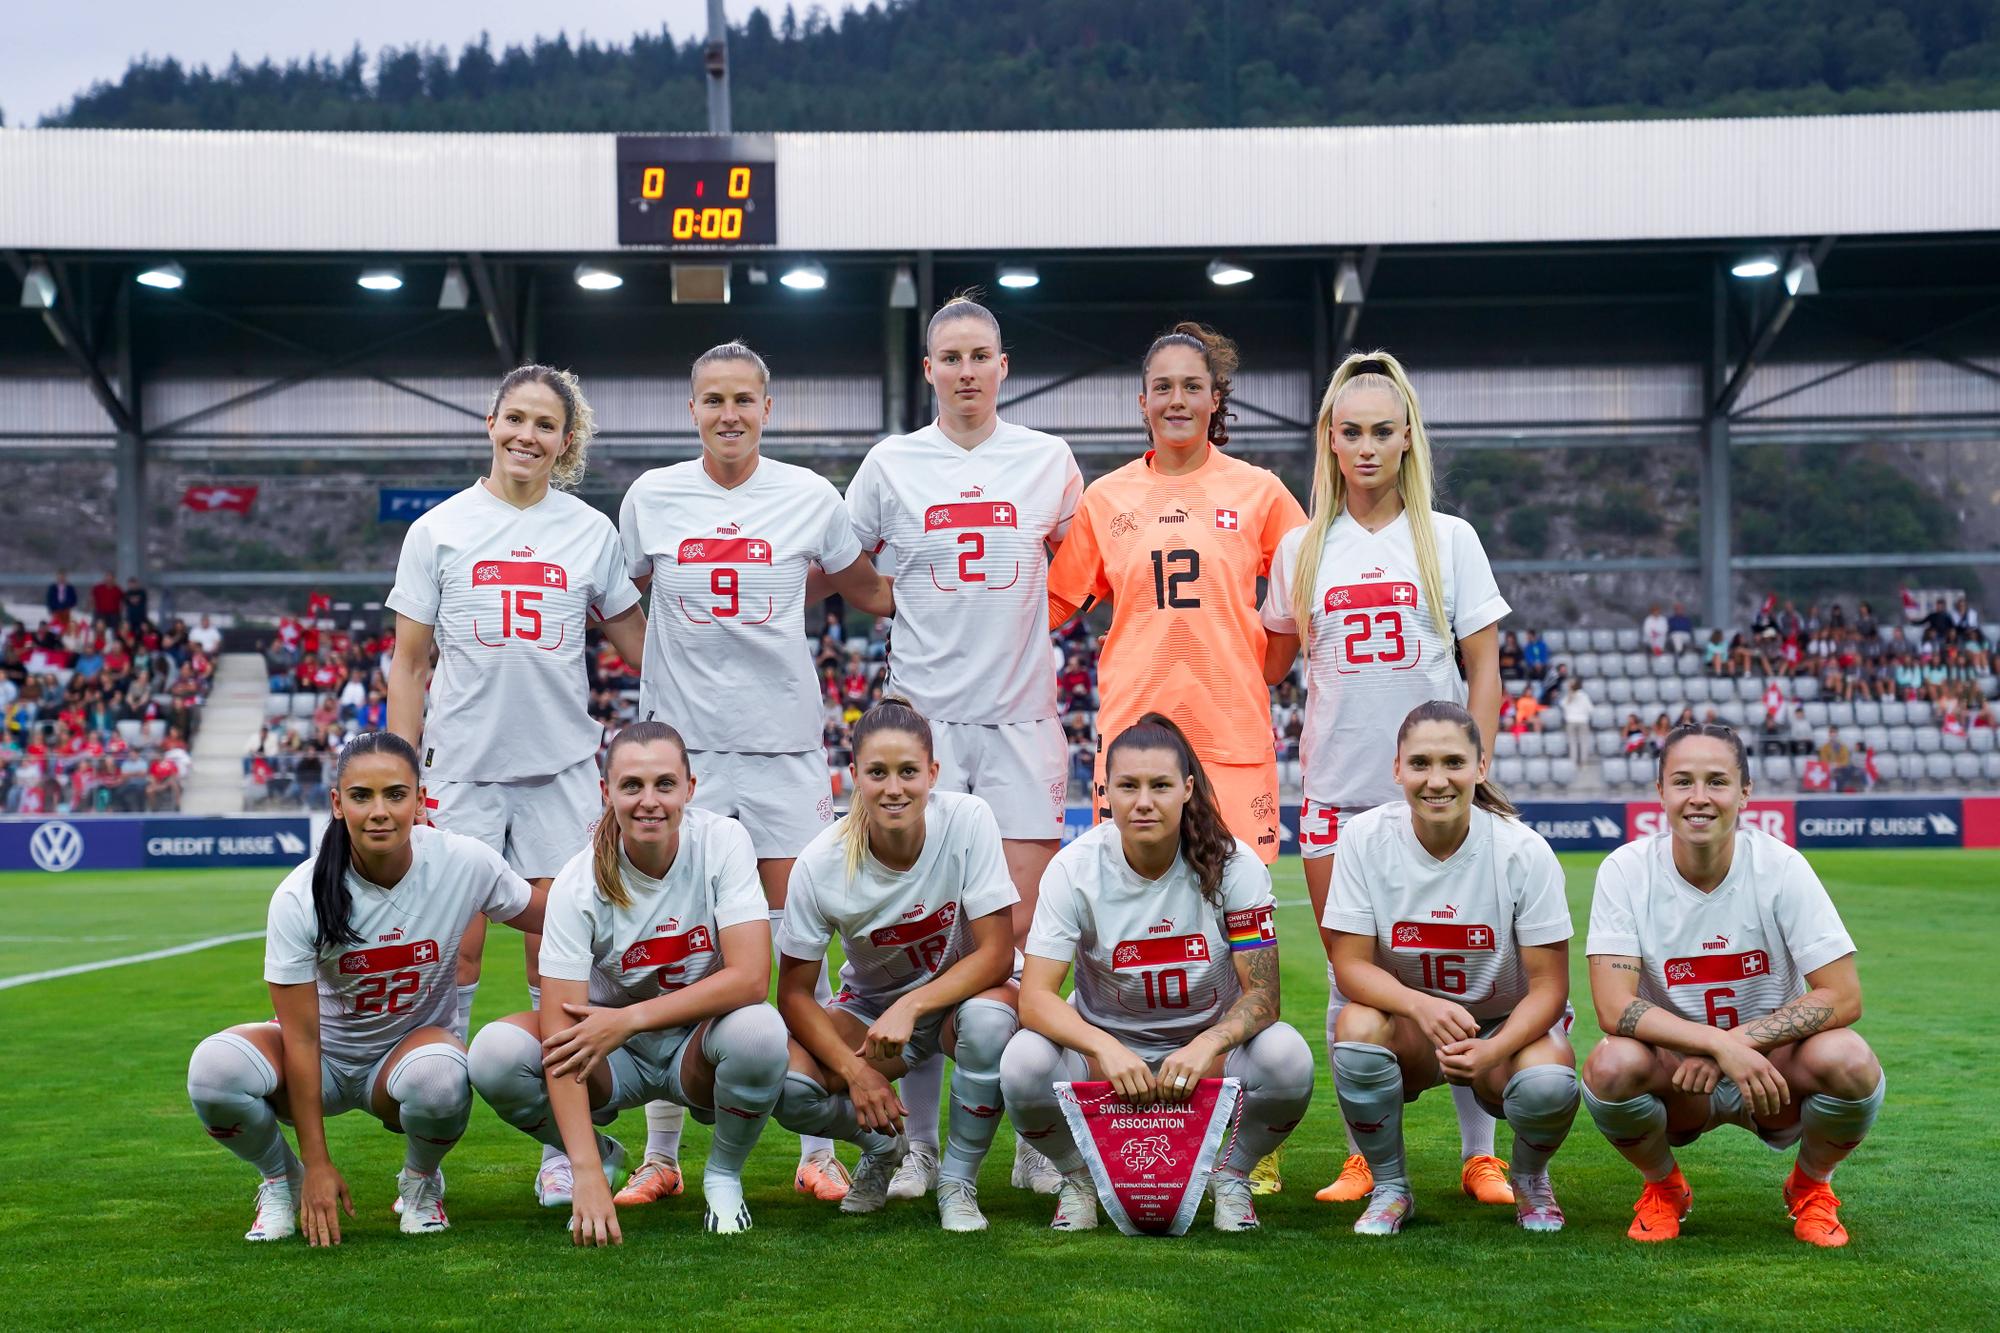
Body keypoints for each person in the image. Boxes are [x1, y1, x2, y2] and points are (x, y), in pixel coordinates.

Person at [617, 342, 893, 1205]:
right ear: (691, 408)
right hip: (683, 757)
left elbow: (868, 590)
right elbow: (625, 601)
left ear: (767, 408)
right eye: (712, 399)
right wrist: (656, 681)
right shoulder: (649, 496)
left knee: (801, 935)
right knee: (669, 938)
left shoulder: (811, 496)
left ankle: (816, 1145)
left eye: (743, 398)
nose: (728, 413)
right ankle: (663, 1152)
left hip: (781, 750)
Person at [386, 364, 648, 1210]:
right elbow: (411, 662)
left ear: (566, 442)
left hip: (562, 773)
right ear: (490, 420)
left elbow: (640, 647)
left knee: (557, 954)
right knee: (450, 953)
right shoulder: (439, 529)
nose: (528, 435)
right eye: (517, 418)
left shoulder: (590, 531)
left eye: (547, 424)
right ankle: (428, 1157)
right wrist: (401, 769)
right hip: (460, 773)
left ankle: (559, 1144)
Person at [844, 296, 1084, 1200]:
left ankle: (1026, 1130)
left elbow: (1079, 564)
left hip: (1022, 718)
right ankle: (910, 1144)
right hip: (924, 723)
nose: (969, 370)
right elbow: (844, 561)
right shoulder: (891, 462)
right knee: (913, 943)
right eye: (952, 356)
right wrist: (893, 600)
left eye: (982, 354)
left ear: (1004, 365)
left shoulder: (1049, 461)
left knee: (1018, 937)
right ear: (931, 370)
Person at [1258, 350, 1511, 1207]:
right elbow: (1272, 662)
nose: (1365, 447)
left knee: (1463, 967)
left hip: (1436, 791)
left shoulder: (1449, 538)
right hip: (1335, 793)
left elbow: (1484, 662)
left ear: (1408, 438)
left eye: (1382, 431)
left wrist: (1476, 769)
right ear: (1328, 439)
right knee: (1347, 976)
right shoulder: (1300, 546)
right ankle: (1369, 1153)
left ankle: (1481, 1154)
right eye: (1350, 431)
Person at [184, 732, 547, 1243]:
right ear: (338, 804)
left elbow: (551, 919)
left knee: (444, 1078)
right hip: (322, 1058)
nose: (380, 811)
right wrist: (316, 1163)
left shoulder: (465, 862)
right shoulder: (299, 895)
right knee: (213, 1071)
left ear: (421, 800)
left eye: (395, 794)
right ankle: (280, 1181)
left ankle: (420, 1183)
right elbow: (301, 1039)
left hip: (404, 1059)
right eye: (362, 796)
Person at [468, 722, 789, 1240]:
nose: (649, 801)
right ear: (606, 793)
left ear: (690, 787)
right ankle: (601, 1152)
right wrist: (587, 1173)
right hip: (611, 1059)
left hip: (697, 1047)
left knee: (761, 1030)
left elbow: (752, 978)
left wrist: (630, 1018)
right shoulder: (579, 880)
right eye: (631, 785)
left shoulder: (722, 840)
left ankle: (724, 1175)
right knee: (494, 1054)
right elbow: (558, 1033)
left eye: (665, 784)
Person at [1001, 714, 1313, 1233]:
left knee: (1288, 1059)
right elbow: (1034, 999)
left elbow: (1263, 996)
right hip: (1107, 1052)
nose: (1143, 801)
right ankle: (1076, 1180)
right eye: (1128, 785)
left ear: (1187, 789)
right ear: (1105, 791)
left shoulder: (1235, 867)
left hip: (1206, 1054)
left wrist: (1206, 1045)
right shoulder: (1074, 869)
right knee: (1022, 1062)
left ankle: (1231, 1176)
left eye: (1161, 785)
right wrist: (1103, 1047)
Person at [1581, 723, 1883, 1247]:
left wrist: (1739, 1045)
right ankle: (1663, 1186)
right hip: (1678, 1076)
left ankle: (1812, 1187)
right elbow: (1612, 1008)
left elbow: (1844, 995)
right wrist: (1717, 1045)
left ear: (1745, 791)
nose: (1699, 798)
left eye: (1717, 781)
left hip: (1772, 1073)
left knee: (1851, 1060)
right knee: (1611, 1064)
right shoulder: (1626, 870)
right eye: (1682, 782)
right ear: (1660, 791)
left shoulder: (1781, 867)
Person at [1325, 701, 1578, 1235]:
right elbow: (1348, 966)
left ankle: (1531, 1183)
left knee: (1550, 1080)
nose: (1436, 780)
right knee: (1357, 1028)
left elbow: (1550, 988)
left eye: (1453, 763)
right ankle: (1392, 1188)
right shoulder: (1364, 839)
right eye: (1419, 763)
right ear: (1396, 769)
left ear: (1480, 767)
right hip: (1417, 1029)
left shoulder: (1523, 851)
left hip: (1503, 1029)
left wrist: (1495, 1048)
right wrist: (1422, 1006)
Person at [771, 699, 1021, 1231]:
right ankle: (884, 1148)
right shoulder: (820, 863)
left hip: (963, 999)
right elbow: (792, 993)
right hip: (870, 1010)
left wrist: (912, 1004)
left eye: (909, 772)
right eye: (877, 773)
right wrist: (855, 1071)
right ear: (853, 777)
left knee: (989, 1023)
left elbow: (997, 953)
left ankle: (957, 1181)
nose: (894, 788)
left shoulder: (969, 820)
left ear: (933, 773)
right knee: (786, 1083)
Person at [1563, 678, 1595, 767]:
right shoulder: (1584, 696)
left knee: (1572, 742)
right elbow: (1591, 709)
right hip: (1583, 721)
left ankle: (1573, 761)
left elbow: (1563, 705)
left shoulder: (1568, 696)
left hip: (1571, 721)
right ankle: (1583, 761)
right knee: (1584, 741)